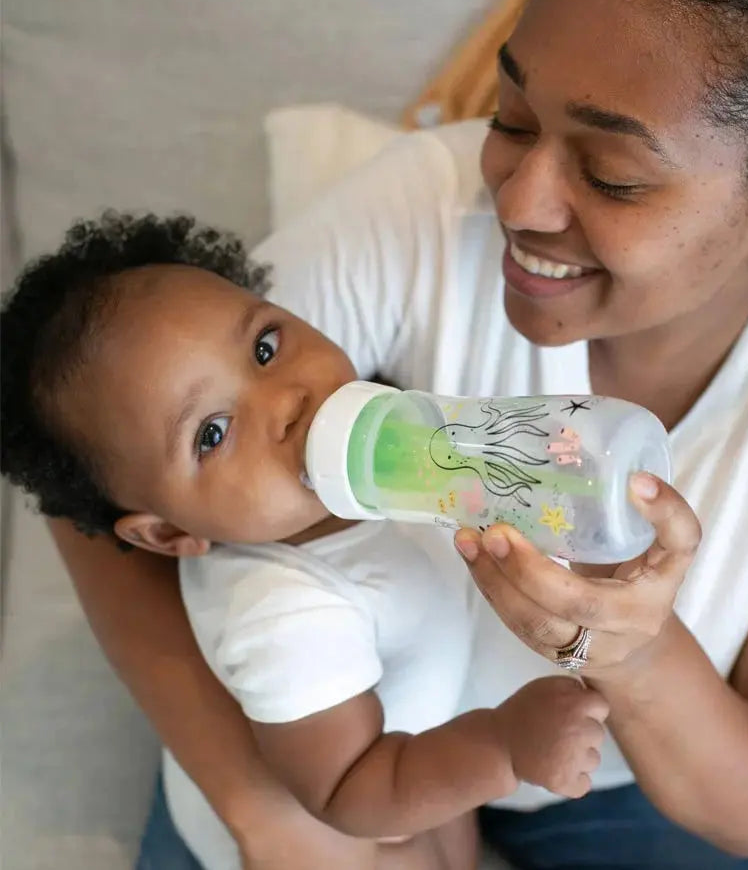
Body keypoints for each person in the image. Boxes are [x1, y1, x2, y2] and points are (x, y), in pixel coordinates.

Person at [37, 0, 748, 868]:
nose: (517, 204)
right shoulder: (423, 207)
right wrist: (276, 818)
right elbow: (99, 450)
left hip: (604, 769)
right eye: (512, 118)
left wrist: (636, 659)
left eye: (612, 175)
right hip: (321, 745)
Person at [0, 212, 614, 869]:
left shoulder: (383, 450)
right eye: (212, 432)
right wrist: (503, 746)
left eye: (265, 347)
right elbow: (351, 788)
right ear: (171, 532)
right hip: (341, 823)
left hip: (417, 759)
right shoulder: (284, 615)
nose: (286, 400)